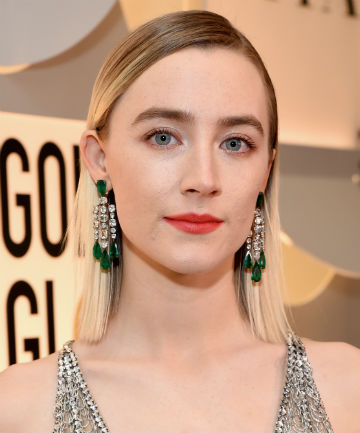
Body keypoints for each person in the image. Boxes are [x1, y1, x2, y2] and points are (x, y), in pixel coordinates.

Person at [0, 9, 359, 433]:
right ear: (100, 161)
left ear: (265, 171)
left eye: (235, 143)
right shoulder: (20, 408)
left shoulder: (346, 388)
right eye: (163, 137)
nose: (203, 180)